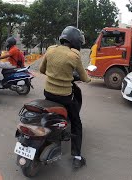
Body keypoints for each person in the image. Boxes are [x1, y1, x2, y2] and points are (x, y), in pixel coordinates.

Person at [39, 26, 91, 168]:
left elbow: (42, 70)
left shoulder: (50, 49)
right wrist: (88, 78)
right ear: (75, 41)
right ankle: (77, 157)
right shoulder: (74, 55)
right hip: (65, 97)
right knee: (76, 123)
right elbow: (84, 78)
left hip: (48, 93)